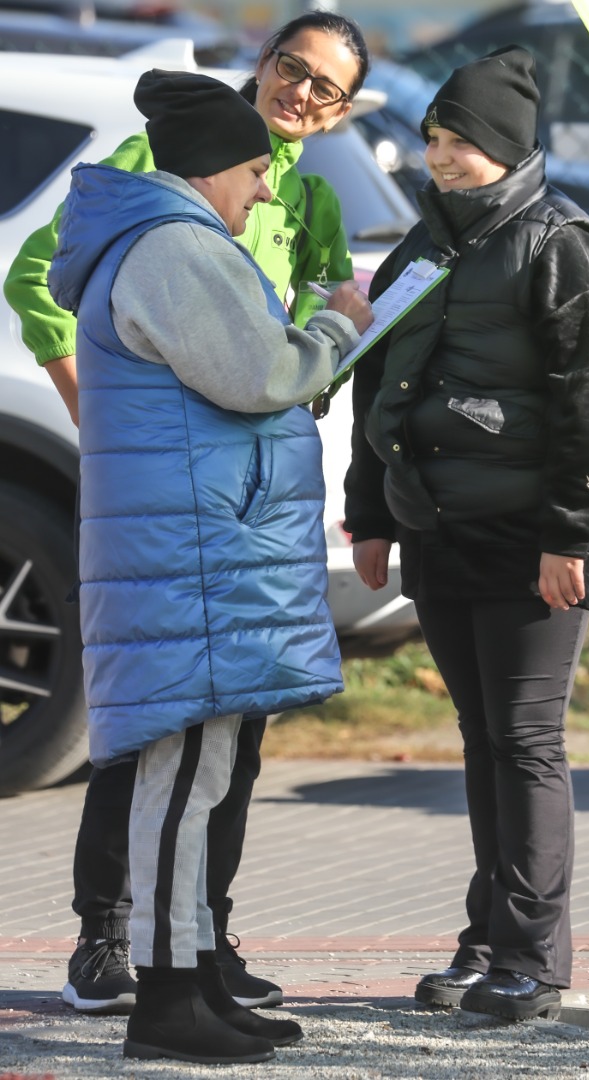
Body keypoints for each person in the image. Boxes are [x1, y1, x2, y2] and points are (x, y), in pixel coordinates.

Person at [2, 10, 369, 1015]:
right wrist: (93, 402)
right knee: (152, 723)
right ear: (262, 64)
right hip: (184, 500)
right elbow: (34, 273)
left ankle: (199, 935)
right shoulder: (168, 162)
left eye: (323, 87)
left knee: (228, 738)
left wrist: (321, 373)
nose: (299, 91)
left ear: (339, 114)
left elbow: (300, 342)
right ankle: (107, 937)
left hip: (245, 505)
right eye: (290, 66)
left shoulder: (312, 200)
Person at [343, 46, 589, 1021]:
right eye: (431, 137)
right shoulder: (424, 242)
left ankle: (533, 956)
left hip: (527, 536)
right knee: (480, 742)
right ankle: (487, 934)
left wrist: (570, 533)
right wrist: (371, 513)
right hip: (435, 529)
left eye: (459, 140)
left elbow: (587, 404)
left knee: (523, 739)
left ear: (506, 146)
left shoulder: (560, 245)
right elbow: (376, 381)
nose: (439, 154)